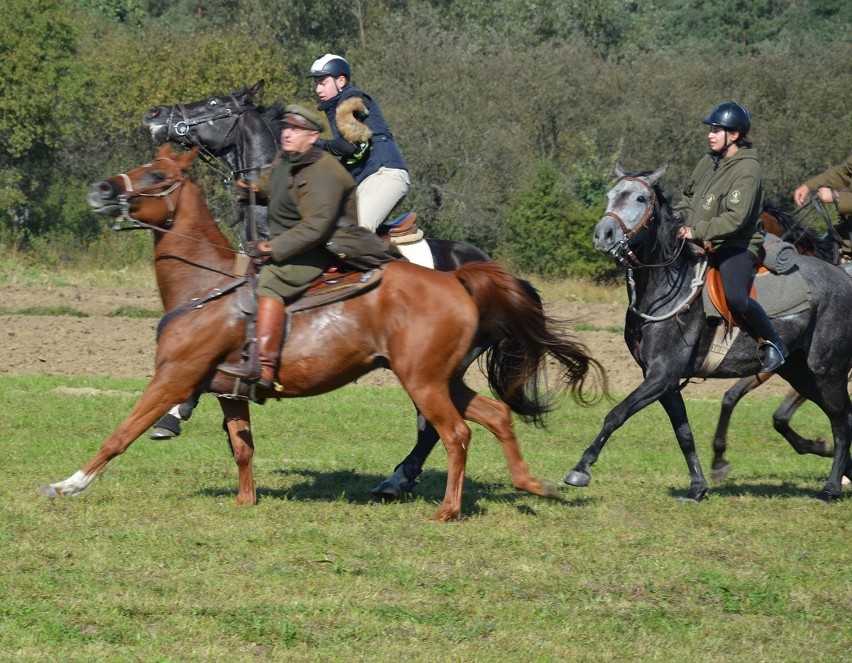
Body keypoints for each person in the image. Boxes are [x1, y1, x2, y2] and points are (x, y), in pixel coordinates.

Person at [218, 105, 358, 389]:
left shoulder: (325, 170)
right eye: (286, 128)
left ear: (313, 137)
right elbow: (272, 184)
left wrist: (272, 247)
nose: (287, 133)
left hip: (326, 247)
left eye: (296, 129)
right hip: (299, 242)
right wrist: (253, 189)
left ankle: (264, 368)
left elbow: (317, 227)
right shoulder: (286, 158)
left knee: (270, 281)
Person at [676, 101, 788, 373]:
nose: (710, 134)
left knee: (736, 297)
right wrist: (681, 224)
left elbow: (736, 219)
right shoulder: (708, 161)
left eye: (717, 130)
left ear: (735, 135)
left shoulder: (748, 170)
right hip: (699, 238)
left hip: (736, 244)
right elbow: (688, 198)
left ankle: (775, 343)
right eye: (711, 129)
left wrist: (698, 231)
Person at [307, 54, 410, 233]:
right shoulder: (336, 106)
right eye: (316, 83)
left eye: (323, 83)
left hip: (384, 174)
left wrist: (315, 144)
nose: (318, 89)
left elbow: (348, 146)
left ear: (340, 81)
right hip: (365, 180)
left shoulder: (351, 99)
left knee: (355, 235)